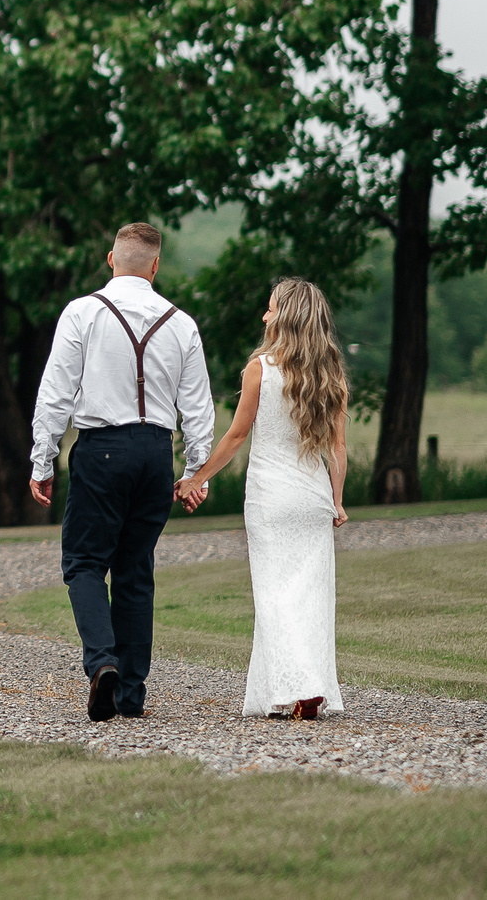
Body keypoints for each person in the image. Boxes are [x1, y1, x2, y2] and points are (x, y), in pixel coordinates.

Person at [27, 221, 215, 722]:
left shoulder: (83, 312)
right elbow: (198, 407)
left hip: (101, 448)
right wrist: (196, 470)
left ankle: (102, 662)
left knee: (85, 562)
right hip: (156, 452)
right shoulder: (182, 323)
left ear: (111, 259)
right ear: (155, 267)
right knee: (136, 570)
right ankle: (131, 694)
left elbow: (56, 391)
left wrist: (41, 459)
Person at [176, 277, 348, 720]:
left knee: (274, 596)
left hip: (271, 499)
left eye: (270, 308)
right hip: (313, 498)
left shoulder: (262, 368)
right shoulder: (331, 375)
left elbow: (236, 436)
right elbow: (339, 449)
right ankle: (296, 689)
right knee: (310, 596)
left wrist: (197, 478)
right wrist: (338, 500)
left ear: (285, 316)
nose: (264, 315)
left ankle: (299, 686)